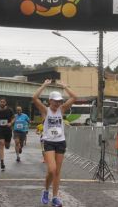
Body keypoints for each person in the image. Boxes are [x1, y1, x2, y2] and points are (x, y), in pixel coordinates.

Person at [33, 79, 76, 207]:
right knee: (51, 170)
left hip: (61, 142)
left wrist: (65, 87)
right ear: (50, 101)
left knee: (57, 172)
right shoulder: (45, 110)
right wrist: (44, 85)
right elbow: (35, 98)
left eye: (59, 101)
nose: (58, 103)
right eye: (55, 100)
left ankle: (55, 197)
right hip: (49, 142)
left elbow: (74, 97)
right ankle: (46, 190)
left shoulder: (62, 109)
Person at [0, 98, 14, 171]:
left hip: (8, 130)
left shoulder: (9, 110)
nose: (2, 103)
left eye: (3, 102)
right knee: (1, 144)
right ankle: (2, 162)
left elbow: (13, 118)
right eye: (1, 102)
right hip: (0, 129)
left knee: (7, 146)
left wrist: (11, 123)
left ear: (5, 103)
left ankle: (8, 144)